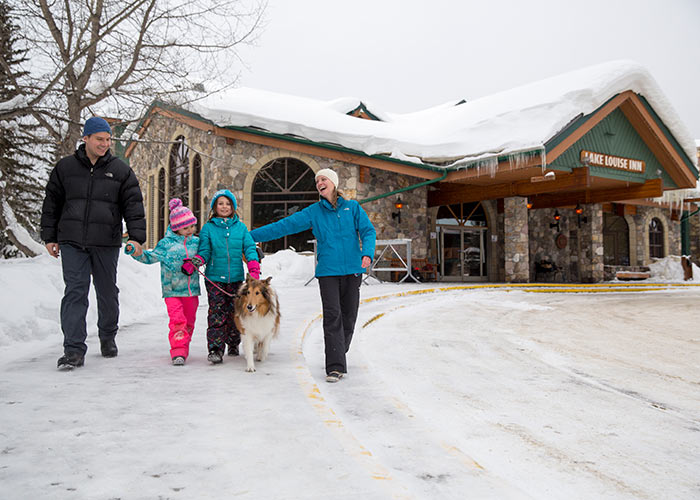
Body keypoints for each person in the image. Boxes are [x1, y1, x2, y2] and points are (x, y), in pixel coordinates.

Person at [250, 168, 376, 383]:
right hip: (328, 272)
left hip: (353, 271)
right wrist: (249, 235)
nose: (319, 183)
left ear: (333, 183)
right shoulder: (314, 212)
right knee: (332, 316)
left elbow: (368, 231)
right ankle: (335, 366)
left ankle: (339, 350)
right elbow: (284, 225)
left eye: (323, 179)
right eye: (317, 180)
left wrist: (367, 253)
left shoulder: (352, 208)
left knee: (349, 317)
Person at [41, 116, 146, 370]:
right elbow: (51, 203)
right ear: (85, 138)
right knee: (75, 292)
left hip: (106, 242)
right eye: (100, 139)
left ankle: (108, 335)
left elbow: (133, 205)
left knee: (107, 292)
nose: (105, 144)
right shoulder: (65, 168)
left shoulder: (120, 170)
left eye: (108, 139)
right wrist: (50, 236)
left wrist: (136, 237)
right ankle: (73, 350)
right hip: (72, 241)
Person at [126, 199, 201, 366]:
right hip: (172, 291)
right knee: (178, 321)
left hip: (191, 291)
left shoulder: (197, 243)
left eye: (192, 226)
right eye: (185, 227)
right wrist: (136, 252)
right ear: (176, 228)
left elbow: (205, 257)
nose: (190, 231)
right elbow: (150, 257)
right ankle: (178, 351)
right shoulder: (166, 245)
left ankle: (183, 347)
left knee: (189, 322)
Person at [196, 189, 260, 364]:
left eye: (227, 204)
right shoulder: (208, 228)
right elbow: (204, 251)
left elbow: (249, 247)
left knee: (235, 313)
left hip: (236, 279)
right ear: (215, 207)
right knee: (217, 313)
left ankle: (233, 342)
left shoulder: (241, 228)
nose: (224, 207)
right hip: (215, 279)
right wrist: (198, 260)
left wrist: (253, 265)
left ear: (233, 207)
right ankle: (215, 349)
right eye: (220, 203)